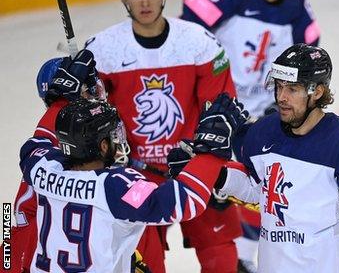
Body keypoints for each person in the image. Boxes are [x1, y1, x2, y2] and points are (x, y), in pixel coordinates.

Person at [85, 0, 240, 273]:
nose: (145, 1)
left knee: (220, 253)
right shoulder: (103, 49)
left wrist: (213, 160)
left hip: (193, 167)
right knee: (145, 264)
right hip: (134, 175)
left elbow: (221, 108)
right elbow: (86, 116)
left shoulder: (198, 42)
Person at [180, 0, 320, 268]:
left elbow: (311, 63)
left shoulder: (295, 4)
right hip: (213, 112)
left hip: (265, 114)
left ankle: (242, 258)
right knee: (213, 191)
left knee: (269, 184)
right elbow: (185, 39)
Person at [210, 44, 339, 272]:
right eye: (279, 86)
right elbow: (257, 190)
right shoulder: (261, 133)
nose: (281, 97)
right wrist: (217, 175)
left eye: (292, 89)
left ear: (317, 92)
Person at [18, 93, 247, 273]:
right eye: (113, 135)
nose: (119, 139)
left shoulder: (43, 168)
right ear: (103, 146)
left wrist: (62, 100)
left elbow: (35, 144)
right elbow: (183, 202)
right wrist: (211, 151)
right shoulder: (115, 187)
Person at [6, 51, 101, 273]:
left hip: (19, 240)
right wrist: (64, 102)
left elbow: (8, 216)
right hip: (34, 249)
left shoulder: (60, 143)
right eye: (87, 92)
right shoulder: (65, 139)